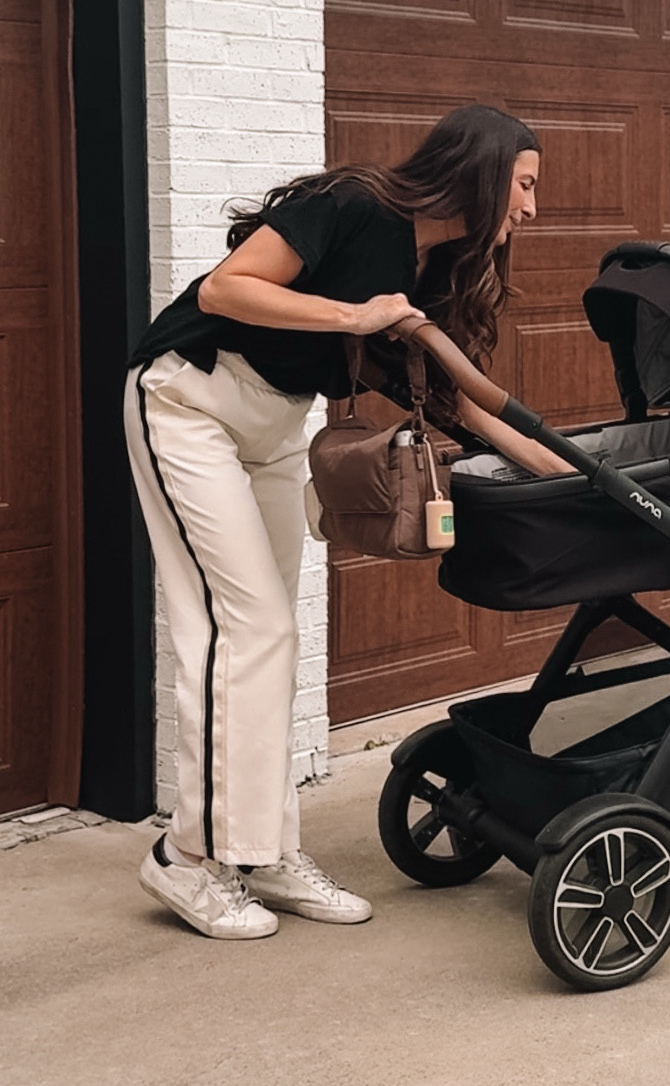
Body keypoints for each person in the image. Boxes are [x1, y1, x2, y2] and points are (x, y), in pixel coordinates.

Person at [125, 104, 569, 940]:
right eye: (525, 184)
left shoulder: (429, 266)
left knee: (273, 634)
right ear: (481, 169)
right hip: (189, 401)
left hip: (274, 426)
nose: (531, 208)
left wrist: (572, 473)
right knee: (241, 627)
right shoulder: (354, 204)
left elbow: (460, 401)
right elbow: (228, 288)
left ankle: (259, 851)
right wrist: (354, 316)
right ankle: (184, 858)